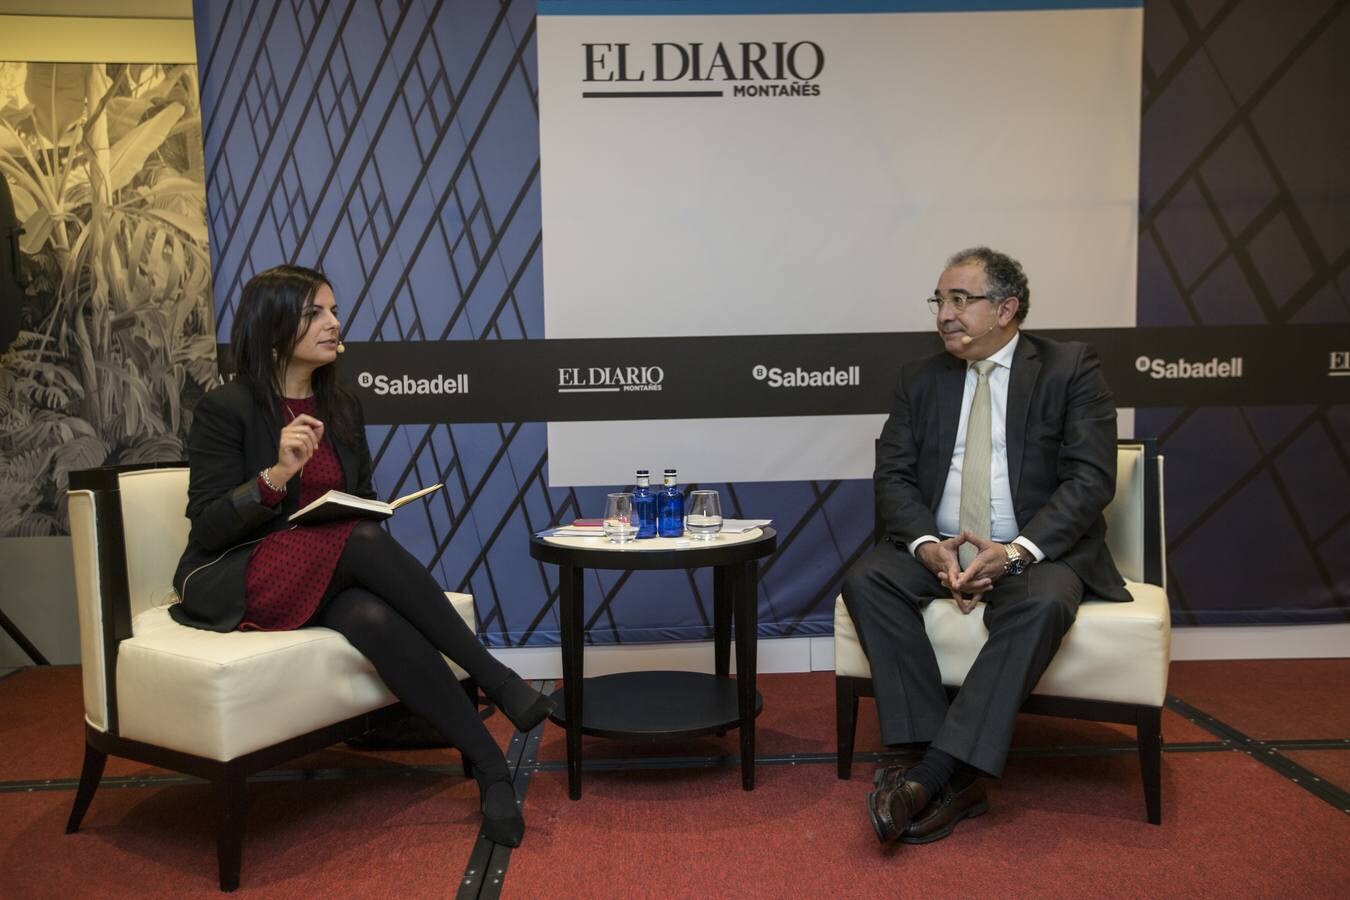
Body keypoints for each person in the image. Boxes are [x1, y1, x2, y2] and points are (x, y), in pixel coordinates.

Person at [170, 264, 552, 847]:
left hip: (324, 570)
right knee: (363, 542)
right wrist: (276, 477)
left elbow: (360, 503)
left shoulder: (340, 405)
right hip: (240, 570)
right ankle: (496, 679)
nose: (334, 323)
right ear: (274, 327)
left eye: (333, 310)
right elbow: (210, 524)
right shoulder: (229, 408)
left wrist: (371, 514)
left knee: (370, 614)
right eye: (315, 313)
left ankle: (493, 771)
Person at [842, 247, 1129, 845]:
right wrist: (926, 546)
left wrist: (1018, 550)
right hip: (941, 544)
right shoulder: (918, 378)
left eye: (959, 300)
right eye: (939, 301)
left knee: (1045, 603)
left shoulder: (1069, 368)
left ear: (1006, 308)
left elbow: (1089, 480)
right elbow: (892, 474)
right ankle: (929, 748)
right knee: (869, 579)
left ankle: (939, 772)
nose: (944, 314)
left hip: (1030, 549)